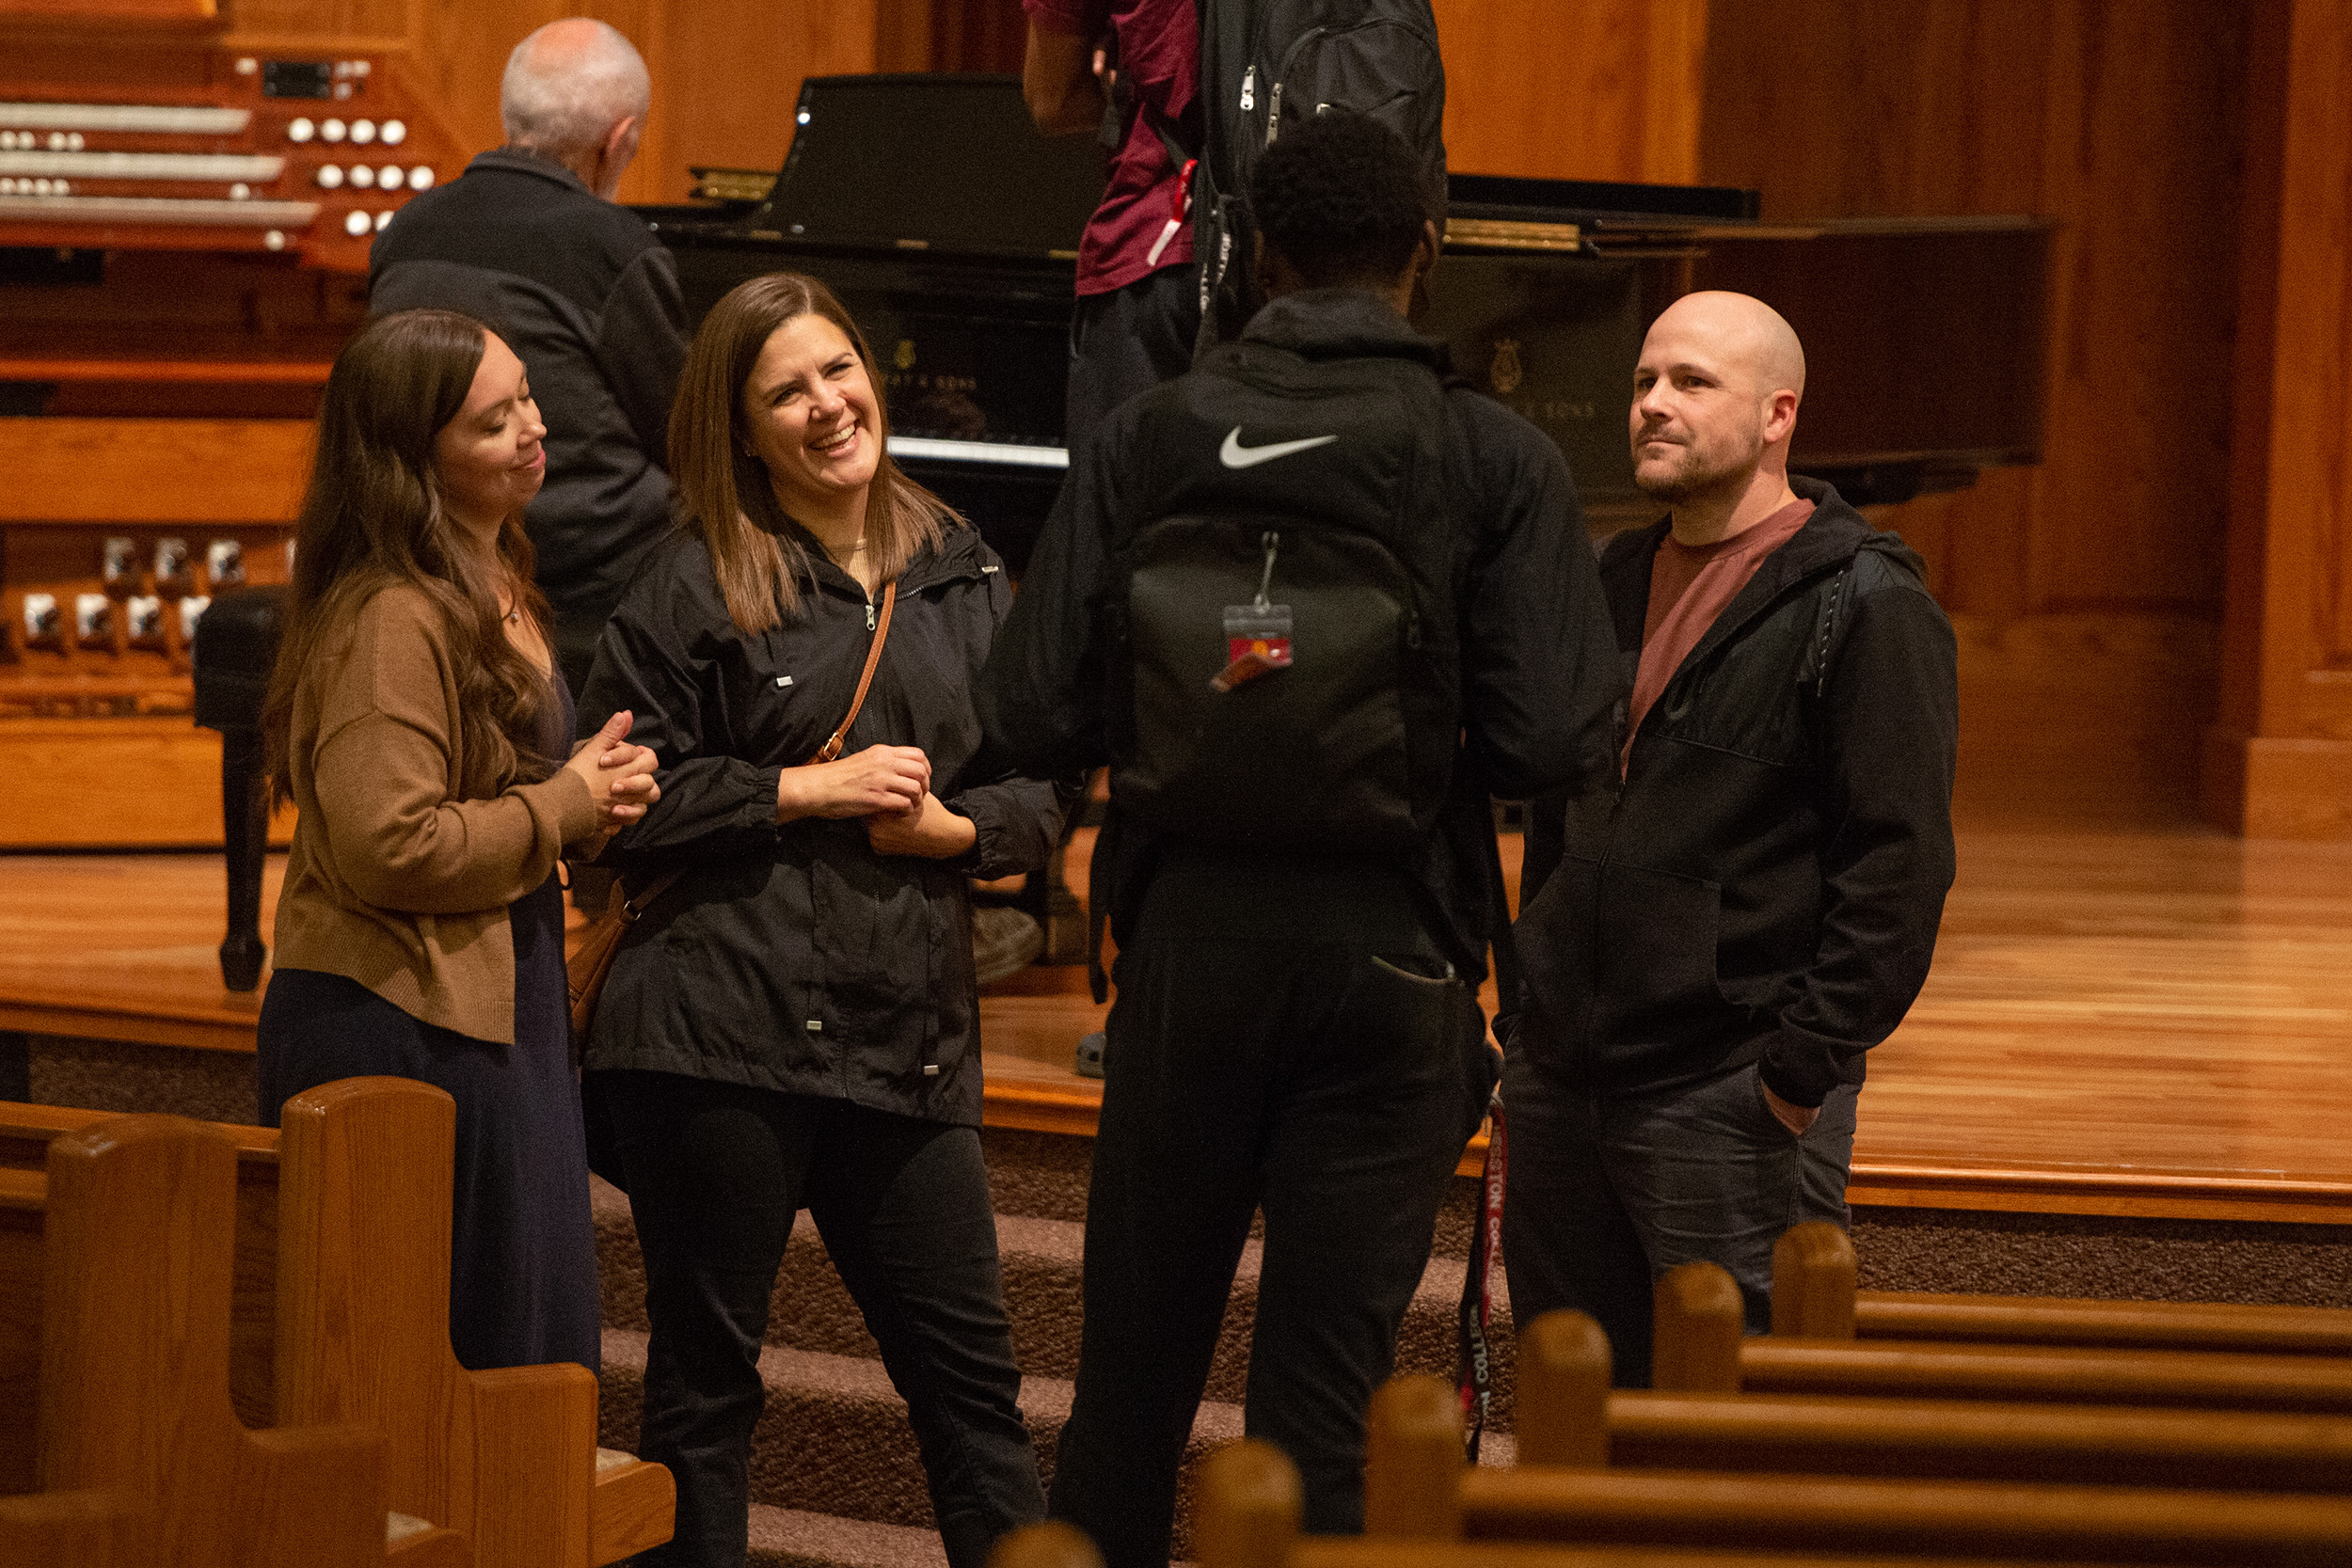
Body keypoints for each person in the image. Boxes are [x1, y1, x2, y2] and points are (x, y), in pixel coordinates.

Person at [976, 112, 1621, 1563]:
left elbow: (1023, 707)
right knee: (1320, 1402)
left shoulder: (1148, 433)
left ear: (1257, 255)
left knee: (1131, 1381)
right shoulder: (1490, 455)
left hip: (1185, 943)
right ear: (1427, 259)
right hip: (1392, 957)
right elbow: (1556, 742)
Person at [575, 273, 1066, 1568]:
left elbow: (1037, 786)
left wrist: (957, 833)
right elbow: (613, 801)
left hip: (903, 1035)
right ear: (741, 427)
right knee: (705, 1392)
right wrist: (802, 788)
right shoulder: (687, 580)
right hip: (714, 1028)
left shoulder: (961, 567)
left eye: (838, 371)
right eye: (786, 390)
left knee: (975, 1392)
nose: (825, 404)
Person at [1502, 291, 1961, 1388]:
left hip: (1729, 1095)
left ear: (1777, 415)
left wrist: (1797, 1070)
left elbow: (1898, 869)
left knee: (1743, 1430)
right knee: (1574, 1426)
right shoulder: (1603, 581)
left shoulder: (1865, 601)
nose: (1653, 405)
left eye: (1691, 382)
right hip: (1564, 1083)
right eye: (1643, 381)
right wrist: (1530, 1022)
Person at [256, 307, 661, 1373]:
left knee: (520, 1347)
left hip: (487, 996)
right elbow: (394, 843)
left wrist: (588, 793)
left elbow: (484, 788)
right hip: (398, 1022)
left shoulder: (490, 576)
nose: (532, 428)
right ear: (413, 459)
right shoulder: (392, 614)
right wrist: (565, 804)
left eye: (527, 395)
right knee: (434, 1365)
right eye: (493, 421)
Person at [372, 17, 687, 701]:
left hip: (424, 549)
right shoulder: (614, 247)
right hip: (580, 581)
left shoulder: (406, 229)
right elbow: (684, 436)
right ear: (620, 139)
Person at [1023, 0, 1201, 459]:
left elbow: (1053, 102)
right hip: (1307, 259)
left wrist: (1123, 82)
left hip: (1158, 252)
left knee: (1127, 518)